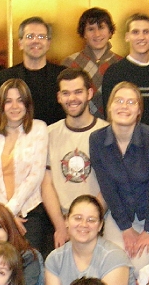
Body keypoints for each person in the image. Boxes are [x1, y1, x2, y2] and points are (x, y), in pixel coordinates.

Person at [90, 82, 149, 271]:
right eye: (119, 100)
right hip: (119, 217)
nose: (124, 106)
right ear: (109, 107)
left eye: (131, 102)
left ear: (139, 110)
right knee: (115, 265)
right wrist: (125, 228)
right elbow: (107, 188)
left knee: (138, 265)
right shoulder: (97, 139)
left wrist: (148, 230)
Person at [0, 79, 52, 255]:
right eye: (8, 101)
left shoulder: (39, 128)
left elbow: (36, 175)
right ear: (1, 104)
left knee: (27, 264)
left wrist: (9, 212)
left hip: (29, 212)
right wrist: (5, 216)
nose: (14, 106)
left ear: (27, 103)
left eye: (20, 100)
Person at [42, 69, 109, 248]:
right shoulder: (49, 134)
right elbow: (46, 183)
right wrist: (61, 227)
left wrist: (88, 223)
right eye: (66, 93)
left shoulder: (107, 133)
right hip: (62, 223)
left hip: (99, 222)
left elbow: (111, 184)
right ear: (59, 97)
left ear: (89, 93)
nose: (72, 99)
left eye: (78, 92)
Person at [101, 13, 149, 133]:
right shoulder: (114, 73)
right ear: (127, 36)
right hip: (124, 145)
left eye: (146, 32)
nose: (141, 37)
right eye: (135, 32)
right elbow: (109, 116)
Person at [0, 17, 65, 125]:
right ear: (20, 43)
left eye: (41, 36)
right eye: (30, 36)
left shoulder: (63, 77)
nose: (36, 41)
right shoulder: (3, 79)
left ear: (48, 44)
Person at [62, 7, 122, 118]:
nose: (97, 34)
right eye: (91, 29)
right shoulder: (69, 63)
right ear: (83, 33)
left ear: (110, 31)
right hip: (79, 126)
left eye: (101, 27)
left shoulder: (121, 63)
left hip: (113, 128)